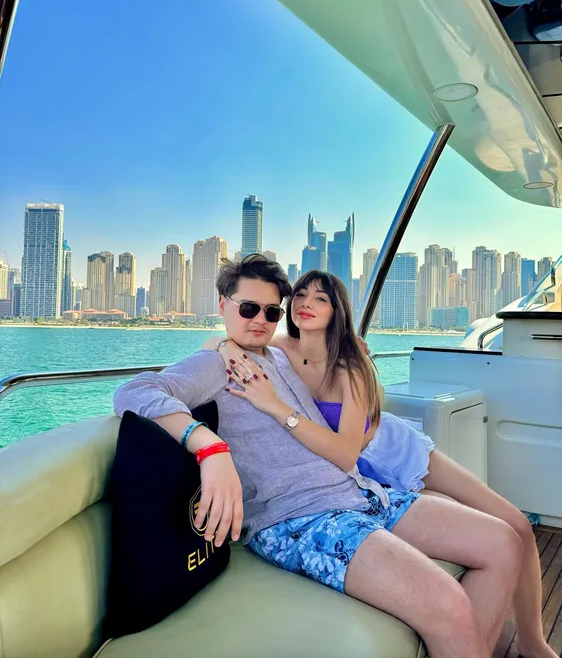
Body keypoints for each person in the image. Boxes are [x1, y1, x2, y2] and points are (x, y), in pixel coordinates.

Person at [114, 254, 522, 658]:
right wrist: (208, 445)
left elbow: (325, 363)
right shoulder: (214, 366)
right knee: (448, 605)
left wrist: (230, 344)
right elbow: (134, 392)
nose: (260, 320)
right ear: (223, 305)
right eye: (248, 308)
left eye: (271, 312)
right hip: (300, 518)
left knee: (502, 543)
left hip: (359, 493)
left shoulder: (279, 356)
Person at [211, 268, 555, 658]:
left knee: (514, 526)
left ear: (337, 310)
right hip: (351, 472)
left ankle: (531, 641)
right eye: (301, 295)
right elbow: (230, 339)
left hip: (388, 451)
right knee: (459, 533)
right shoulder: (280, 351)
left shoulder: (349, 361)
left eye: (321, 298)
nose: (306, 303)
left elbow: (348, 445)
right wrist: (223, 348)